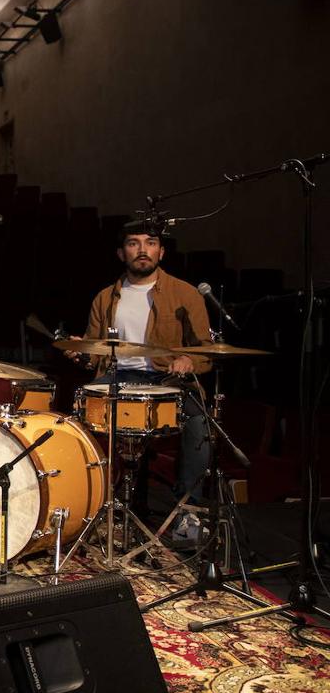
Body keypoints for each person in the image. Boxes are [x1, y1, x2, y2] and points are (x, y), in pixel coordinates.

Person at [65, 228, 213, 545]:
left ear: (162, 252)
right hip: (118, 376)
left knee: (199, 421)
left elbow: (206, 351)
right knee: (77, 421)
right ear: (122, 253)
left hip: (167, 379)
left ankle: (189, 511)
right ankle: (88, 502)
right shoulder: (105, 297)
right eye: (133, 243)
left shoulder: (186, 294)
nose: (142, 250)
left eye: (151, 243)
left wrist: (188, 360)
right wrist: (81, 352)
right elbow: (93, 358)